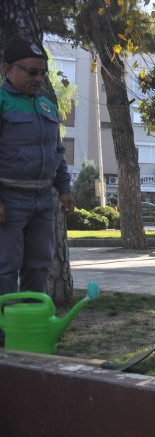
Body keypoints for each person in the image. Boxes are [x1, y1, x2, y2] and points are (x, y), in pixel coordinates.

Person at [0, 37, 76, 346]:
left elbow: (57, 151)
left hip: (43, 200)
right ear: (8, 70)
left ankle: (30, 326)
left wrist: (65, 189)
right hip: (10, 198)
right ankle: (5, 330)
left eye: (42, 73)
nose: (38, 79)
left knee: (39, 264)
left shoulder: (46, 105)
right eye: (31, 72)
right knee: (6, 266)